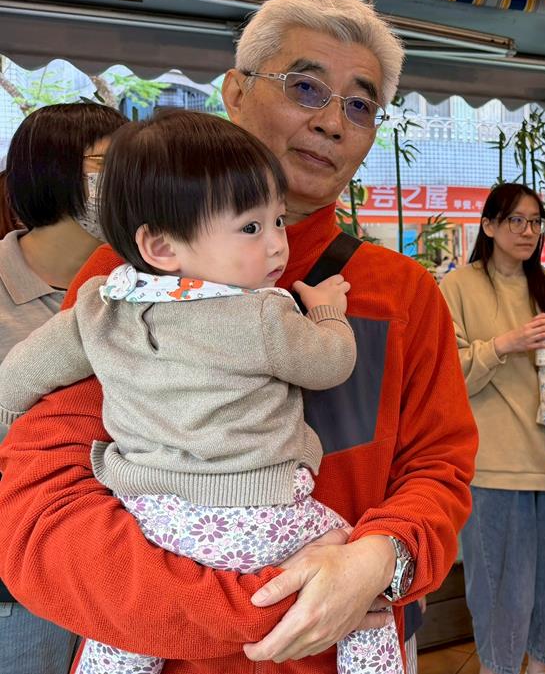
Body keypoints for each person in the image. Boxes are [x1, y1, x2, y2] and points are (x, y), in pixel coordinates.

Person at [0, 0, 477, 672]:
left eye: (360, 105)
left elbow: (437, 468)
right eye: (306, 87)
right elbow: (44, 508)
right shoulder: (126, 282)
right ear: (235, 92)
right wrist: (257, 607)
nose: (332, 123)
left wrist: (380, 559)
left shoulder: (399, 294)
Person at [0, 110, 406, 674]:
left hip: (149, 519)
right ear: (161, 245)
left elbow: (21, 375)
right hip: (257, 514)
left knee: (123, 630)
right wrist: (328, 313)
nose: (277, 246)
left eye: (277, 221)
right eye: (251, 228)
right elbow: (330, 364)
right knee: (358, 580)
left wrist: (8, 420)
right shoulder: (260, 315)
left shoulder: (99, 304)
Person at [0, 102, 126, 674]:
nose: (128, 179)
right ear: (50, 169)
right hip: (21, 583)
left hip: (125, 565)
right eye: (109, 164)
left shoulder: (147, 282)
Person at [439, 183, 545, 674]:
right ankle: (497, 668)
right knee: (498, 585)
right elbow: (447, 373)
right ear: (489, 226)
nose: (528, 231)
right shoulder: (458, 286)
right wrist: (505, 344)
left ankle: (541, 666)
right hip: (493, 462)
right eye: (516, 220)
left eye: (535, 221)